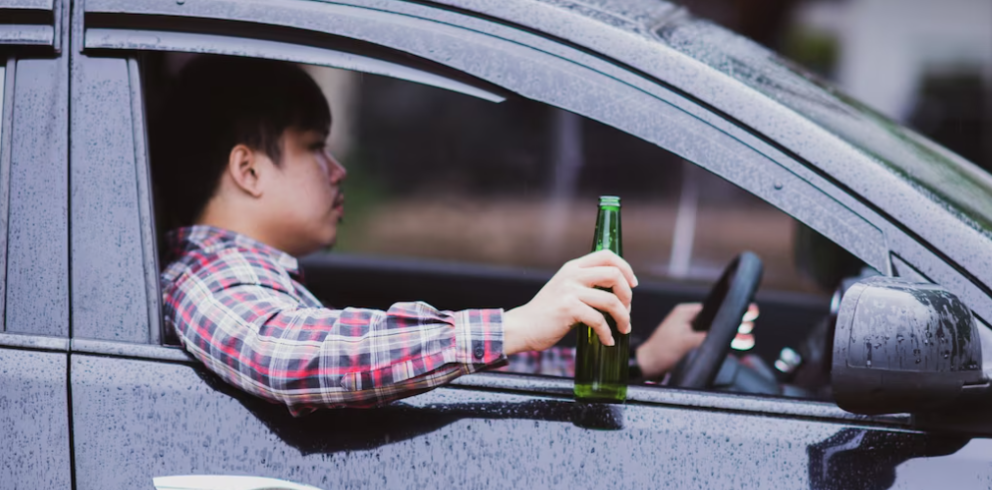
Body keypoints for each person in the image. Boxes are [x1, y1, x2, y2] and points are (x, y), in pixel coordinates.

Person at [154, 56, 707, 416]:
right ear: (248, 170)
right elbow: (289, 357)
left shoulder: (253, 279)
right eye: (316, 146)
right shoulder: (206, 278)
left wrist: (640, 359)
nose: (338, 168)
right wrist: (514, 326)